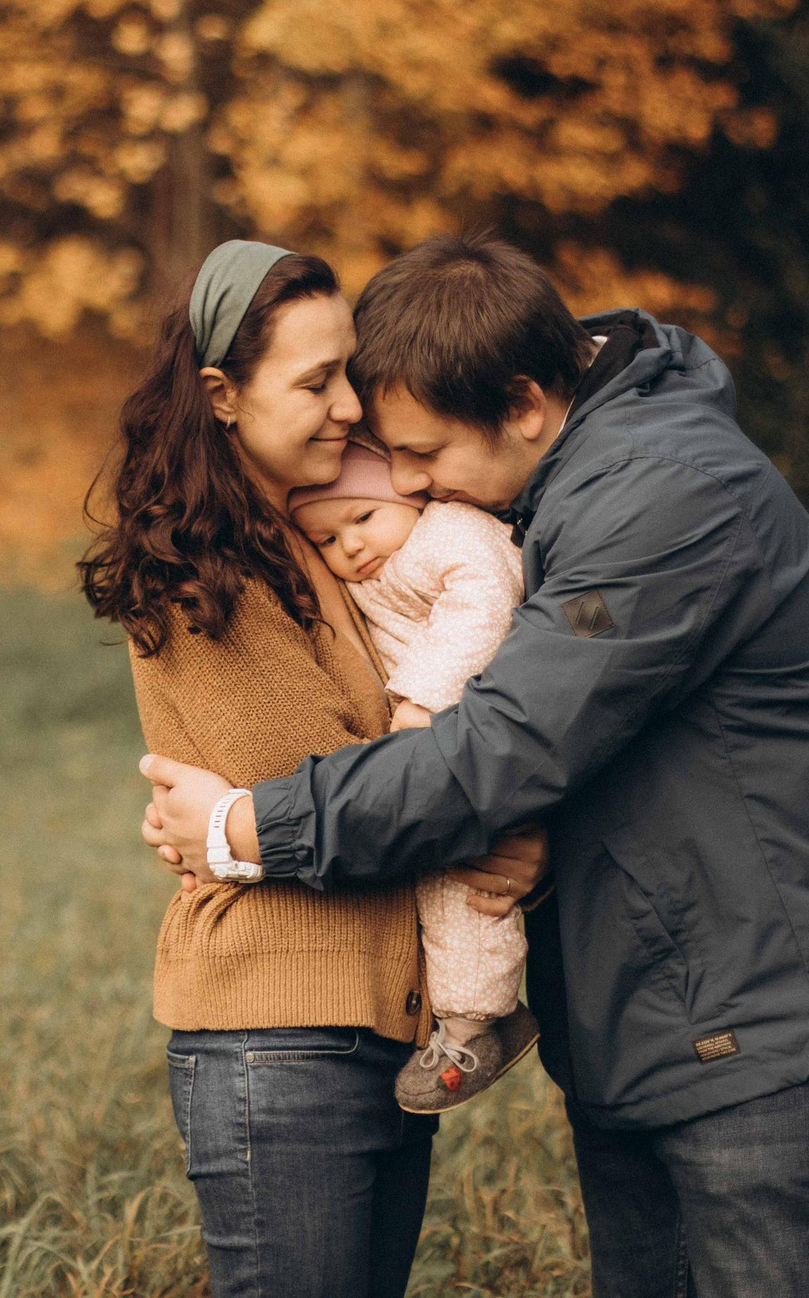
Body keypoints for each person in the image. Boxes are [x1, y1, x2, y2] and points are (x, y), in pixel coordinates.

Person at [141, 235, 809, 1298]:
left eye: (424, 453)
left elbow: (501, 750)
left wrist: (246, 829)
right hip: (663, 1023)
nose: (412, 485)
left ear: (523, 402)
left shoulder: (660, 497)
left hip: (769, 1023)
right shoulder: (561, 481)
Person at [79, 240, 543, 1298]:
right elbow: (349, 797)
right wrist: (470, 813)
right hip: (275, 1036)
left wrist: (495, 821)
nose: (350, 406)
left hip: (368, 1027)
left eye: (348, 372)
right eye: (316, 380)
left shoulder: (319, 541)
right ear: (222, 396)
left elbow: (398, 779)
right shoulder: (206, 566)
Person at [289, 441, 539, 1113]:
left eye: (363, 516)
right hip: (446, 745)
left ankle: (474, 1019)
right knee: (445, 873)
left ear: (406, 497)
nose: (350, 545)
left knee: (468, 880)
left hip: (479, 729)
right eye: (328, 538)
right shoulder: (382, 568)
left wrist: (425, 696)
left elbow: (487, 595)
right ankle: (471, 1012)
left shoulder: (446, 533)